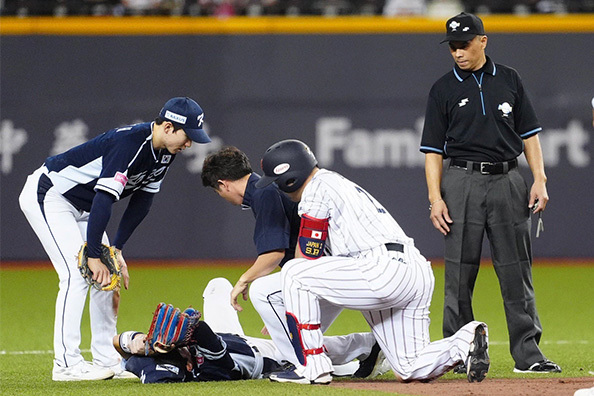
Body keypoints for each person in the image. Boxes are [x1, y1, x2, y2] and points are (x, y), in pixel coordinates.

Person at [255, 139, 490, 385]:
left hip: (380, 269)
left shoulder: (316, 189)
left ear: (288, 177)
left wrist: (290, 303)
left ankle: (312, 367)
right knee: (410, 367)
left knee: (295, 270)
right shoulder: (333, 182)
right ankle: (465, 341)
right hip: (413, 270)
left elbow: (307, 257)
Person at [18, 97, 211, 381]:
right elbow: (104, 199)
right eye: (187, 136)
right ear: (168, 127)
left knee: (107, 280)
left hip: (85, 207)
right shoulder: (130, 144)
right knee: (76, 273)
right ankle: (66, 364)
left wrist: (116, 250)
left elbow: (142, 202)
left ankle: (106, 359)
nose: (189, 144)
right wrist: (94, 254)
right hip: (50, 195)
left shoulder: (164, 153)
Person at [420, 12, 561, 374]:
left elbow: (529, 134)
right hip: (461, 182)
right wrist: (435, 198)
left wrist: (539, 179)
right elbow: (433, 151)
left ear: (483, 41)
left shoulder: (510, 79)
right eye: (452, 46)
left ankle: (528, 356)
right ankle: (456, 353)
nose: (457, 52)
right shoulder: (442, 89)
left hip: (508, 180)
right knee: (459, 276)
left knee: (516, 272)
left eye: (464, 44)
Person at [200, 146, 388, 378]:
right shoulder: (267, 191)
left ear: (224, 184)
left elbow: (274, 254)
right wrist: (278, 314)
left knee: (262, 293)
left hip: (327, 273)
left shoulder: (263, 193)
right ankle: (369, 345)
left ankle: (303, 368)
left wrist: (244, 280)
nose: (223, 196)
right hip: (332, 271)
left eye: (218, 191)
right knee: (295, 343)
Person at [113, 277, 385, 382]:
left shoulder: (149, 360)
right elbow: (201, 330)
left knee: (218, 285)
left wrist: (135, 341)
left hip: (232, 338)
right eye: (175, 345)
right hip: (261, 358)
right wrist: (178, 340)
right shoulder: (206, 367)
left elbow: (120, 344)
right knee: (303, 348)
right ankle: (369, 344)